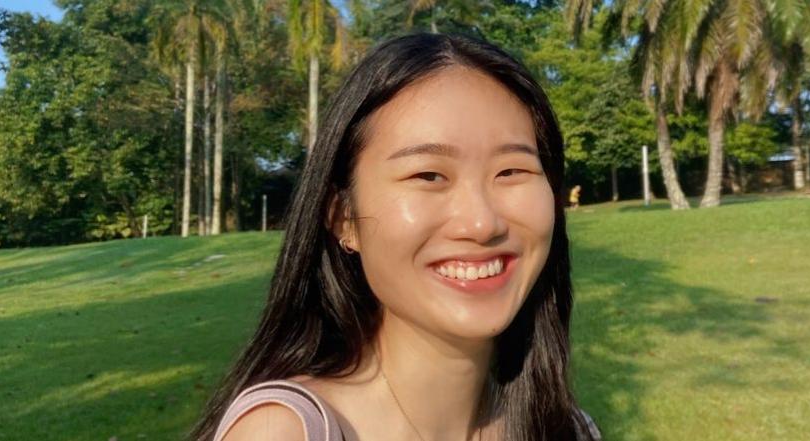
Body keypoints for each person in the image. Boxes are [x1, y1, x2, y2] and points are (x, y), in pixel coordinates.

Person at [191, 33, 597, 441]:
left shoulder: (567, 430)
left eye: (511, 171)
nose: (482, 224)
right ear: (342, 217)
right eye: (428, 175)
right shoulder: (283, 432)